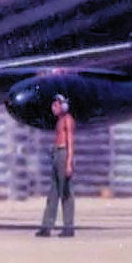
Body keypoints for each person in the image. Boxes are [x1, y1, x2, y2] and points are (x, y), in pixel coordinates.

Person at [36, 94, 76, 238]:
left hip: (64, 154)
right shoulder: (59, 121)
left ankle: (69, 227)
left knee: (66, 192)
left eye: (56, 105)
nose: (53, 107)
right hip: (56, 153)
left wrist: (69, 163)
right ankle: (46, 226)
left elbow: (70, 142)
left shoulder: (67, 120)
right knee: (53, 192)